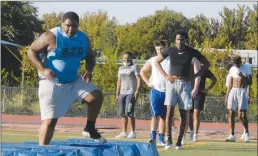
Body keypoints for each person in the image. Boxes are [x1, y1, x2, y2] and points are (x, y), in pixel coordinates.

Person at [27, 12, 106, 145]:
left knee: (96, 96)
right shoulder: (51, 36)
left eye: (74, 26)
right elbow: (31, 51)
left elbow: (90, 56)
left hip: (73, 81)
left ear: (78, 25)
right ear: (62, 24)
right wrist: (42, 69)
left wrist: (89, 70)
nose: (70, 29)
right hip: (51, 82)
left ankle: (90, 128)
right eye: (67, 26)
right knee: (51, 121)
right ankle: (42, 151)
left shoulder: (83, 38)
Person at [155, 30, 209, 150]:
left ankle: (179, 141)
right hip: (171, 83)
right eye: (178, 39)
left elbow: (206, 64)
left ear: (185, 40)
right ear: (175, 40)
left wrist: (193, 77)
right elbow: (156, 61)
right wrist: (166, 75)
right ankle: (168, 139)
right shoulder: (170, 50)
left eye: (182, 39)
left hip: (185, 85)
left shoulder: (191, 52)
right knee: (169, 112)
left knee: (183, 114)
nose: (180, 41)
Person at [140, 40, 170, 146]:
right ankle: (152, 137)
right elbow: (142, 71)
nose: (160, 51)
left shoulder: (170, 59)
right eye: (157, 49)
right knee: (155, 115)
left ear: (165, 48)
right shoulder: (152, 60)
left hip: (168, 91)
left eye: (162, 49)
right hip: (156, 91)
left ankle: (161, 139)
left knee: (164, 116)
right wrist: (148, 82)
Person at [225, 56, 252, 142]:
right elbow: (229, 84)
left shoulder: (247, 68)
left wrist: (242, 76)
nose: (237, 65)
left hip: (242, 91)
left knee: (242, 115)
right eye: (235, 64)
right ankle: (231, 134)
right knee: (231, 113)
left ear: (241, 62)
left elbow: (250, 82)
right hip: (233, 90)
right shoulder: (232, 69)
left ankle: (247, 132)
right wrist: (226, 96)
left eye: (238, 63)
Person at [115, 52, 141, 139]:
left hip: (131, 93)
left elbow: (139, 79)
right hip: (122, 93)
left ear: (131, 58)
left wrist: (137, 91)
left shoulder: (134, 67)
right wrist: (117, 93)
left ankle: (133, 132)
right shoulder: (120, 68)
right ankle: (124, 132)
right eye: (124, 58)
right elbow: (119, 81)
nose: (126, 59)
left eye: (128, 58)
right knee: (122, 113)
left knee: (129, 112)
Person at [188, 66, 217, 142]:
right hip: (188, 93)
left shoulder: (203, 69)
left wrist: (208, 89)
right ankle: (191, 131)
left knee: (196, 113)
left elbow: (214, 79)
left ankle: (195, 134)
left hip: (199, 93)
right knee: (189, 114)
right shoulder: (188, 67)